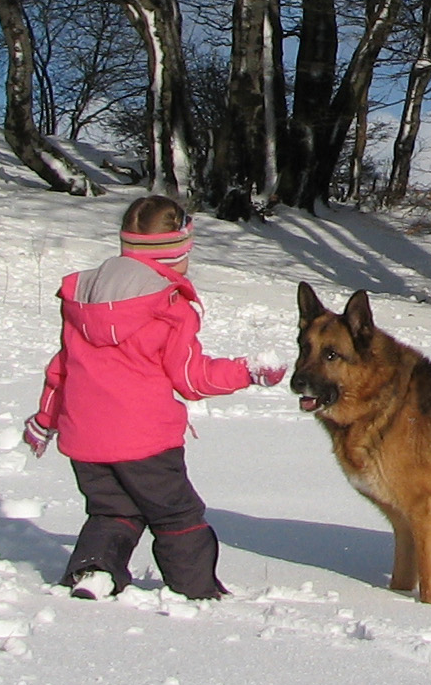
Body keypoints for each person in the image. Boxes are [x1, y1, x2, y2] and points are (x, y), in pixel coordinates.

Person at [22, 195, 286, 601]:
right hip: (144, 440)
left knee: (111, 510)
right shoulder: (167, 303)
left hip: (85, 439)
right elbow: (191, 378)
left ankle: (94, 572)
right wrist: (247, 371)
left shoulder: (84, 298)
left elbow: (62, 368)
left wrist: (45, 420)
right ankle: (196, 589)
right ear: (177, 253)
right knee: (176, 514)